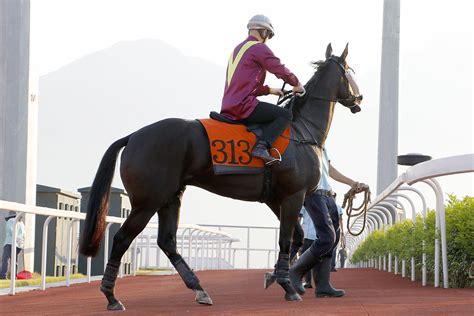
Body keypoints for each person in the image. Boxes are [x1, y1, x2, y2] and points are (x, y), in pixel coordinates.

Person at [220, 14, 305, 165]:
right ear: (264, 32)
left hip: (229, 105)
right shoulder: (258, 48)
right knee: (285, 115)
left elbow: (244, 85)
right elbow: (278, 68)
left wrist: (271, 90)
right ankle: (261, 146)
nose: (268, 39)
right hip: (243, 106)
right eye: (269, 35)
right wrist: (296, 83)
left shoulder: (238, 49)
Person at [289, 146, 368, 297]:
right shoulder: (304, 143)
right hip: (313, 193)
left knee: (333, 240)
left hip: (328, 194)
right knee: (327, 238)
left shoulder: (321, 145)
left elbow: (329, 169)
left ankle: (323, 285)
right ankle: (296, 270)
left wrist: (352, 183)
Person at [0, 211, 25, 279]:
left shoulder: (10, 221)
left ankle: (3, 275)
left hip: (10, 243)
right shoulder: (21, 223)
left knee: (5, 259)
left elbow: (11, 231)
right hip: (19, 245)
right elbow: (23, 235)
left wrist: (15, 239)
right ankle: (14, 276)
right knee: (14, 260)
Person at [330, 203, 344, 272]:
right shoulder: (338, 207)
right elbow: (341, 219)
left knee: (333, 248)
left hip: (333, 229)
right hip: (333, 229)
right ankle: (331, 266)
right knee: (333, 248)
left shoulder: (338, 207)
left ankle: (331, 266)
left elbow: (341, 219)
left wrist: (342, 230)